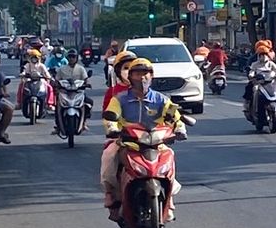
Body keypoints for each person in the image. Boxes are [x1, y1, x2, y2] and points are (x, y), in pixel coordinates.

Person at [101, 58, 188, 218]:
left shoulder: (161, 99)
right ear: (130, 77)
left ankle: (169, 201)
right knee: (109, 155)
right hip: (127, 142)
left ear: (152, 76)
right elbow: (110, 116)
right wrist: (112, 127)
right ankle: (110, 192)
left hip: (156, 144)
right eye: (137, 74)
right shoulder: (120, 99)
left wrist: (180, 127)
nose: (142, 78)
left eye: (145, 73)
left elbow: (175, 116)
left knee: (170, 156)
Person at [53, 47, 93, 133]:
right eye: (70, 57)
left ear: (76, 58)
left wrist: (87, 84)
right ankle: (58, 126)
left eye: (73, 57)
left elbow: (86, 79)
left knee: (89, 102)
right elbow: (56, 80)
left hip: (78, 92)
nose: (71, 59)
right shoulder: (62, 69)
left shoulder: (81, 69)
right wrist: (56, 85)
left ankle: (84, 122)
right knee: (57, 107)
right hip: (65, 93)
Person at [244, 40, 276, 119]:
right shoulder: (254, 62)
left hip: (270, 81)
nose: (263, 56)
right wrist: (251, 75)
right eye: (261, 55)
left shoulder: (271, 62)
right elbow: (251, 70)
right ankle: (252, 106)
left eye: (265, 54)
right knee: (251, 88)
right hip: (258, 82)